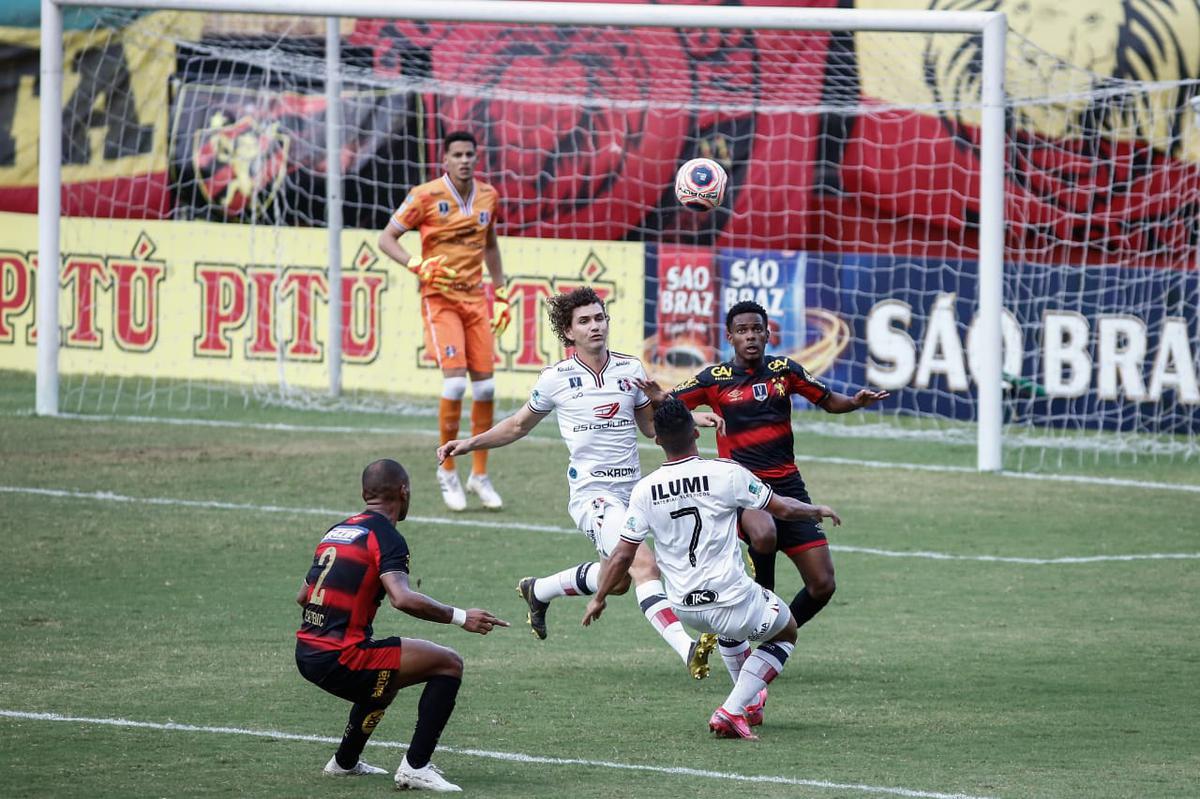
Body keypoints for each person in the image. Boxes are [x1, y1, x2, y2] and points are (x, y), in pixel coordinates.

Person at [437, 286, 726, 679]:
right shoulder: (556, 379)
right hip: (593, 495)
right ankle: (686, 648)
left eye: (599, 318)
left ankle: (538, 590)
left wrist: (686, 419)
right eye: (585, 321)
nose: (596, 327)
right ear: (568, 333)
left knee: (620, 581)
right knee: (644, 563)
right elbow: (519, 425)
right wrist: (470, 443)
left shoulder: (630, 370)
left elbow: (648, 429)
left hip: (635, 492)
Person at [641, 300, 888, 661]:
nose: (751, 336)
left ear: (767, 333)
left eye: (757, 329)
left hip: (788, 486)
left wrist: (854, 401)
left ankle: (770, 640)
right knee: (764, 533)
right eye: (742, 331)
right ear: (730, 337)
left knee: (823, 584)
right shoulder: (715, 379)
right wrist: (658, 399)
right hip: (741, 489)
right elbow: (671, 407)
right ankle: (761, 601)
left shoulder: (783, 371)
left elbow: (828, 400)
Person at [582, 399, 841, 739]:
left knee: (733, 629)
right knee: (786, 631)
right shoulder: (726, 473)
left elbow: (620, 556)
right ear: (695, 432)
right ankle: (732, 710)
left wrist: (599, 598)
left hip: (686, 608)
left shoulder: (643, 491)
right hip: (730, 597)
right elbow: (782, 508)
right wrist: (814, 509)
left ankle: (749, 704)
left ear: (657, 440)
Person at [295, 458, 508, 792]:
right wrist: (462, 617)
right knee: (448, 663)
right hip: (340, 656)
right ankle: (416, 766)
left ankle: (344, 762)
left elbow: (303, 595)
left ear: (365, 494)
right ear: (403, 492)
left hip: (307, 651)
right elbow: (402, 598)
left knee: (386, 676)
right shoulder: (386, 537)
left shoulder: (338, 530)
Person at [379, 130, 511, 512]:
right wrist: (416, 263)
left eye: (470, 153)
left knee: (486, 390)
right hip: (439, 299)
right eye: (457, 154)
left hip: (475, 299)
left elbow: (490, 244)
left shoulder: (489, 196)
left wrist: (500, 292)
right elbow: (387, 238)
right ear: (445, 160)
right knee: (454, 383)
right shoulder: (424, 196)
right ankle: (448, 469)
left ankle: (479, 475)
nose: (465, 160)